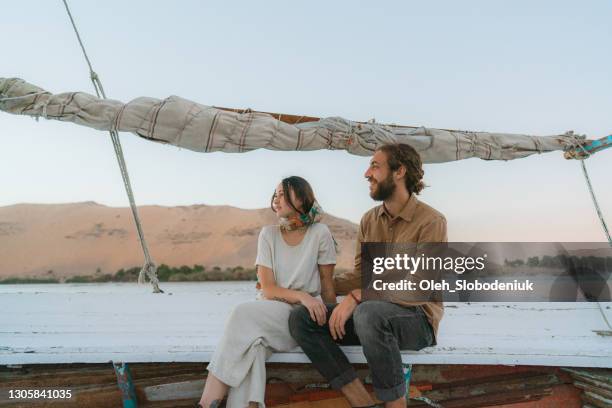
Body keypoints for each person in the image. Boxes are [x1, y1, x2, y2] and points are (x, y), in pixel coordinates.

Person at [289, 144, 447, 408]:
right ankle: (362, 402)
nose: (366, 173)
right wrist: (307, 284)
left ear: (399, 172)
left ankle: (396, 405)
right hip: (371, 317)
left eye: (375, 166)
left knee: (368, 312)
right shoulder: (369, 220)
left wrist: (358, 297)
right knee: (302, 319)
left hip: (417, 319)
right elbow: (362, 275)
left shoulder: (431, 221)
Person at [198, 176, 337, 408]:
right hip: (269, 309)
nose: (277, 198)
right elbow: (269, 289)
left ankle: (204, 404)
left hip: (299, 318)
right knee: (254, 349)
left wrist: (334, 324)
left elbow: (327, 285)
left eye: (284, 193)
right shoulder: (268, 234)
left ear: (301, 198)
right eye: (276, 194)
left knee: (241, 313)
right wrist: (303, 295)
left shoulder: (320, 233)